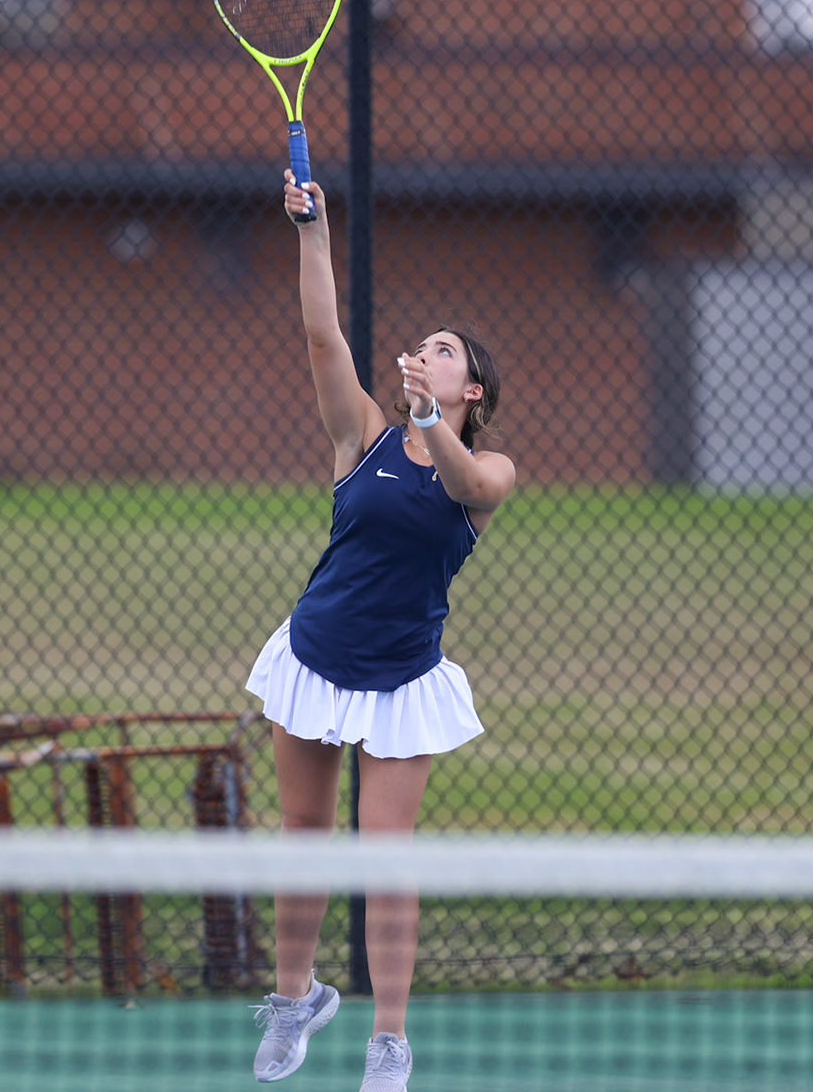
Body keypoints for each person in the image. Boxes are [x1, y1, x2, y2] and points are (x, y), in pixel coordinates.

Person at [246, 173, 516, 1092]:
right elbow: (323, 335)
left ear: (468, 385)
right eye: (421, 346)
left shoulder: (488, 466)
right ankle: (296, 999)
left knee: (385, 855)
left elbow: (467, 492)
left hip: (403, 680)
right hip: (316, 659)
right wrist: (312, 232)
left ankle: (388, 1041)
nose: (421, 353)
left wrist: (435, 425)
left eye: (442, 351)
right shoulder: (361, 434)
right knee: (303, 833)